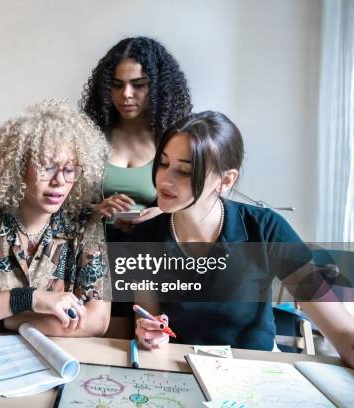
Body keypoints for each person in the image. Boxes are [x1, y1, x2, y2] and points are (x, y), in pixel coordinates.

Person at [130, 111, 354, 368]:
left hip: (254, 372)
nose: (165, 180)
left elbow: (342, 329)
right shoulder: (146, 236)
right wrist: (150, 333)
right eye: (163, 163)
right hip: (178, 370)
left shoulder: (266, 229)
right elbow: (146, 317)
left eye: (184, 171)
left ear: (226, 180)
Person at [0, 101, 111, 336]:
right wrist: (27, 299)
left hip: (59, 360)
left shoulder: (86, 223)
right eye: (47, 167)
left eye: (69, 170)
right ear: (17, 167)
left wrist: (9, 319)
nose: (59, 181)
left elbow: (97, 320)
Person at [80, 36, 192, 235]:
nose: (126, 94)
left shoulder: (175, 141)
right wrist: (95, 211)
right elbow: (61, 204)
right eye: (117, 85)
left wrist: (164, 212)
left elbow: (199, 200)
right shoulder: (89, 136)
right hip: (93, 249)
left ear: (158, 89)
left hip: (153, 249)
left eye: (138, 84)